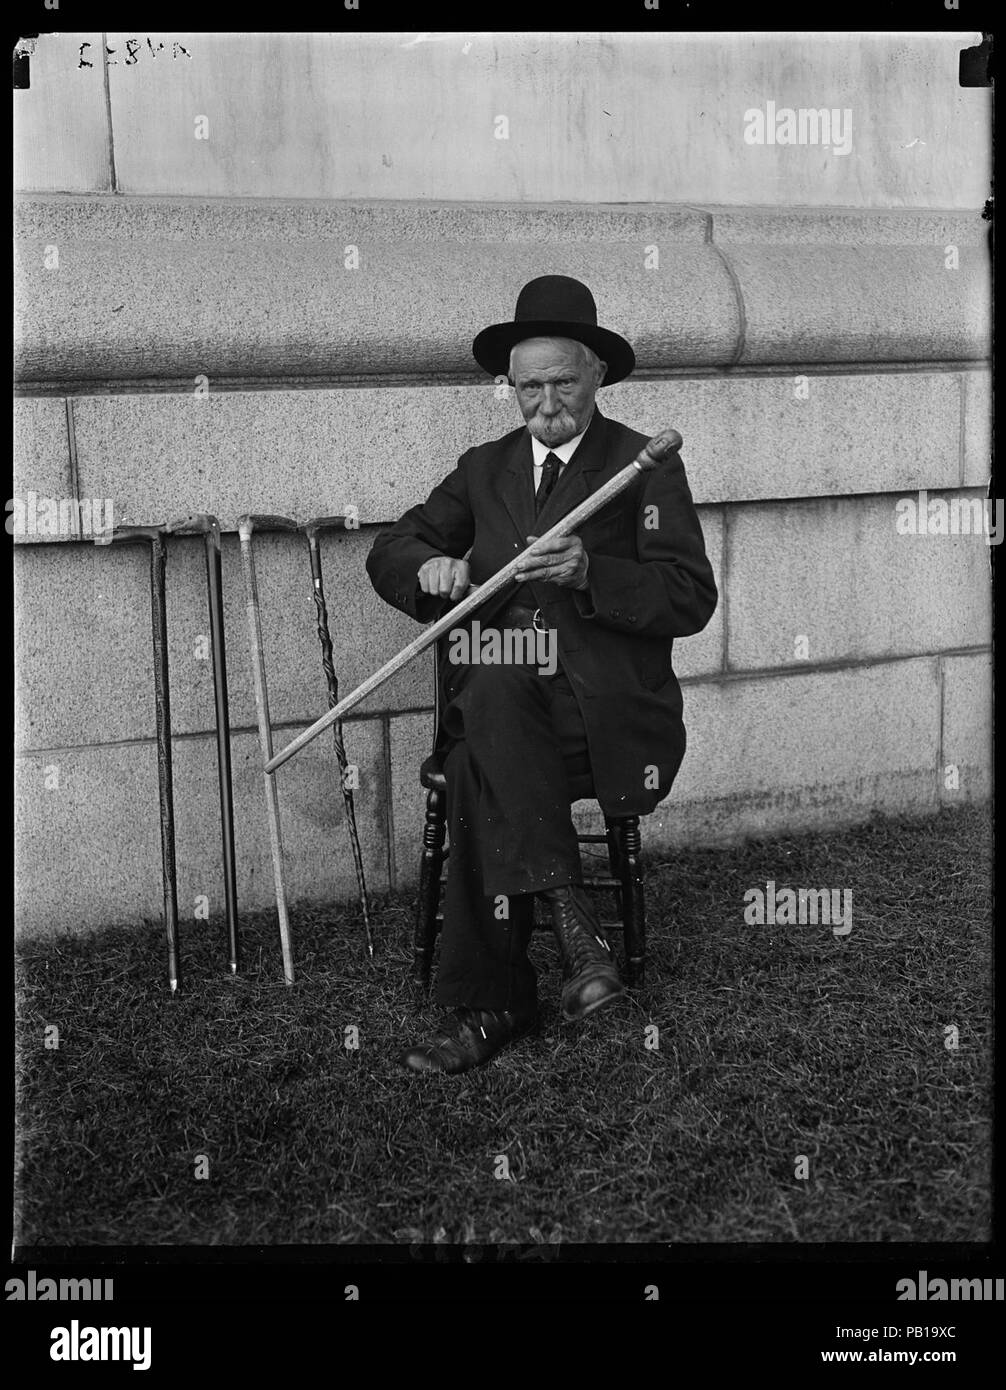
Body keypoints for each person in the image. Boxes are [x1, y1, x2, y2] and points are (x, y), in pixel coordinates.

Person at [367, 275, 717, 1074]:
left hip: (601, 715)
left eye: (563, 381)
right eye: (530, 385)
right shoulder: (484, 470)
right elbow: (391, 549)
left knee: (473, 759)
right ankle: (573, 925)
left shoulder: (641, 467)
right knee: (492, 691)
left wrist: (594, 571)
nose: (547, 400)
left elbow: (690, 596)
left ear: (596, 374)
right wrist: (432, 570)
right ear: (510, 387)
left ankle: (493, 1006)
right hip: (508, 708)